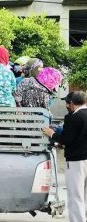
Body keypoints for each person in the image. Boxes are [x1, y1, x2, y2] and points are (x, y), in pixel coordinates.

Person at [42, 91, 87, 222]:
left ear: (72, 104)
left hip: (76, 162)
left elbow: (67, 140)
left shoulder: (73, 117)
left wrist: (52, 134)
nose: (67, 105)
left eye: (67, 103)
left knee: (76, 195)